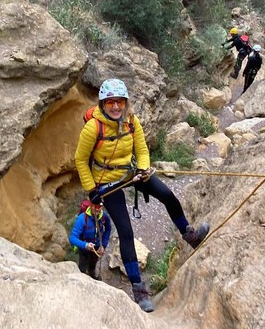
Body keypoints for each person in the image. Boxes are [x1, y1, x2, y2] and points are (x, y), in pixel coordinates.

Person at [74, 78, 210, 313]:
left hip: (130, 173)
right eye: (110, 103)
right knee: (125, 231)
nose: (116, 107)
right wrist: (92, 190)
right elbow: (80, 160)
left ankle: (190, 234)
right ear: (103, 104)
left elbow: (142, 149)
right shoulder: (92, 128)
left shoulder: (131, 121)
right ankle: (138, 288)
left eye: (120, 102)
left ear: (125, 103)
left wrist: (143, 168)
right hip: (106, 181)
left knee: (167, 194)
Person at [69, 198, 112, 280]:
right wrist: (85, 245)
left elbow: (108, 229)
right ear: (91, 206)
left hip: (97, 248)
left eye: (100, 207)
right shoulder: (82, 219)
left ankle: (91, 273)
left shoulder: (104, 216)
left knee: (93, 264)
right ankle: (82, 277)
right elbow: (72, 238)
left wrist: (103, 245)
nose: (98, 210)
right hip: (84, 249)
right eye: (96, 207)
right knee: (82, 266)